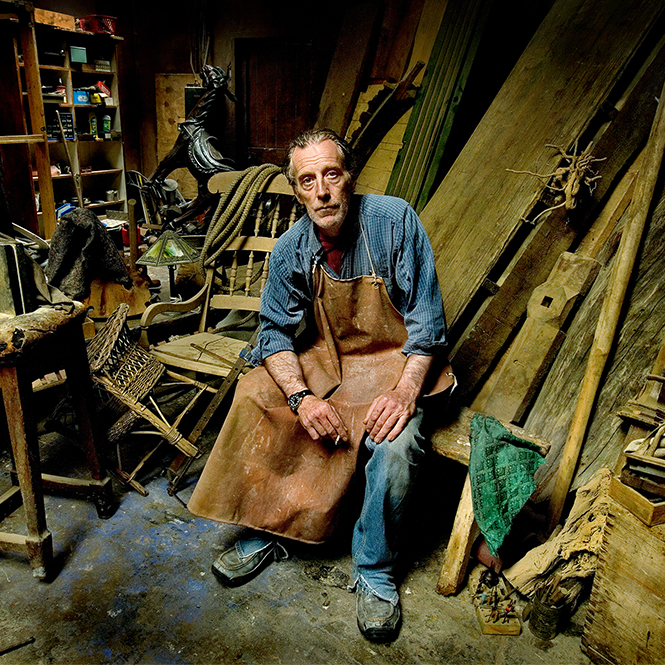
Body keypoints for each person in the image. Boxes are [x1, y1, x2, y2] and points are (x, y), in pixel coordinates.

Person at [188, 128, 454, 642]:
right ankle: (276, 529)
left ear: (350, 177)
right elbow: (272, 333)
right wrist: (301, 397)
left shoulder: (394, 220)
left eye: (332, 174)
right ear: (297, 192)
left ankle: (374, 569)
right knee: (255, 394)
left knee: (397, 444)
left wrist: (404, 392)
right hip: (331, 361)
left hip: (395, 364)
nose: (323, 191)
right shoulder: (291, 248)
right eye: (308, 181)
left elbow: (428, 325)